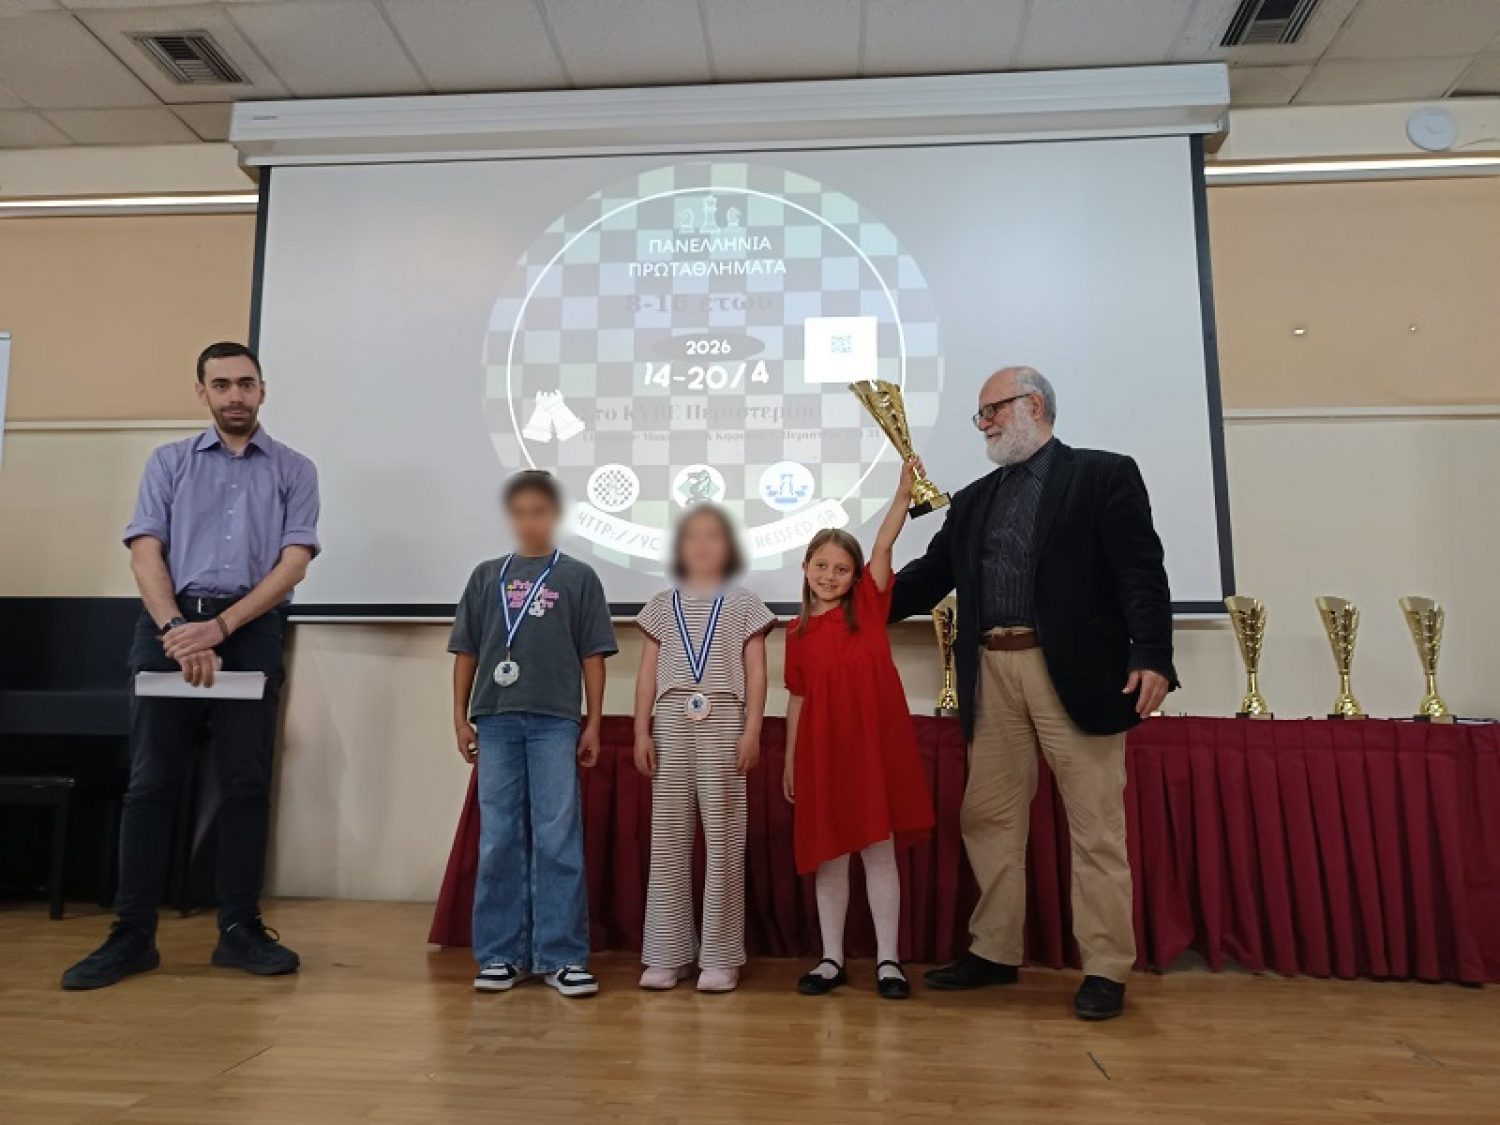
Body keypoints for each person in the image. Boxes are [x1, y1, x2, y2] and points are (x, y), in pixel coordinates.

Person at [890, 365, 1176, 1021]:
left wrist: (1152, 654)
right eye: (981, 415)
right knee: (987, 817)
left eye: (992, 410)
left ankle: (1105, 967)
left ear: (1036, 406)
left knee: (1095, 828)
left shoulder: (1104, 475)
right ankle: (993, 951)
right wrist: (848, 604)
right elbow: (928, 578)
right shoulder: (973, 499)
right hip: (992, 670)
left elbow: (1141, 572)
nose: (984, 424)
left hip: (1075, 672)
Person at [62, 342, 319, 991]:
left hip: (250, 630)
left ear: (263, 389)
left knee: (245, 784)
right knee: (151, 784)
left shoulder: (295, 468)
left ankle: (239, 929)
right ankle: (132, 934)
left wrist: (222, 628)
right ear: (202, 392)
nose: (235, 394)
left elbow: (293, 563)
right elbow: (145, 550)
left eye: (246, 383)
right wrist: (178, 629)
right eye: (221, 384)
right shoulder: (168, 462)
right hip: (168, 630)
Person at [449, 470, 617, 998]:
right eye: (520, 512)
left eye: (540, 511)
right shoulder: (486, 577)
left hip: (555, 721)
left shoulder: (579, 577)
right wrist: (460, 717)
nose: (529, 521)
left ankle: (561, 956)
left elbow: (593, 656)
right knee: (499, 836)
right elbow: (466, 651)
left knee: (557, 835)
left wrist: (593, 722)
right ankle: (502, 954)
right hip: (495, 719)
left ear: (556, 515)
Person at [783, 460, 935, 1000]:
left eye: (841, 569)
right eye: (821, 566)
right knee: (830, 856)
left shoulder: (869, 608)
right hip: (822, 755)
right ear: (805, 567)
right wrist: (790, 762)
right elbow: (797, 699)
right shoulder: (796, 633)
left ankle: (888, 961)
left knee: (878, 852)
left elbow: (884, 544)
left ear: (855, 578)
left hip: (873, 751)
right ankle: (831, 958)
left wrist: (902, 496)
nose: (830, 576)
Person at [632, 505, 775, 993]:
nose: (702, 545)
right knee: (669, 838)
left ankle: (720, 955)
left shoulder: (744, 604)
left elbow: (757, 672)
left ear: (728, 546)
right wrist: (641, 731)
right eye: (692, 536)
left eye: (713, 535)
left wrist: (752, 730)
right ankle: (667, 953)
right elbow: (647, 674)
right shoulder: (660, 605)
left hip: (725, 717)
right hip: (672, 719)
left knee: (724, 836)